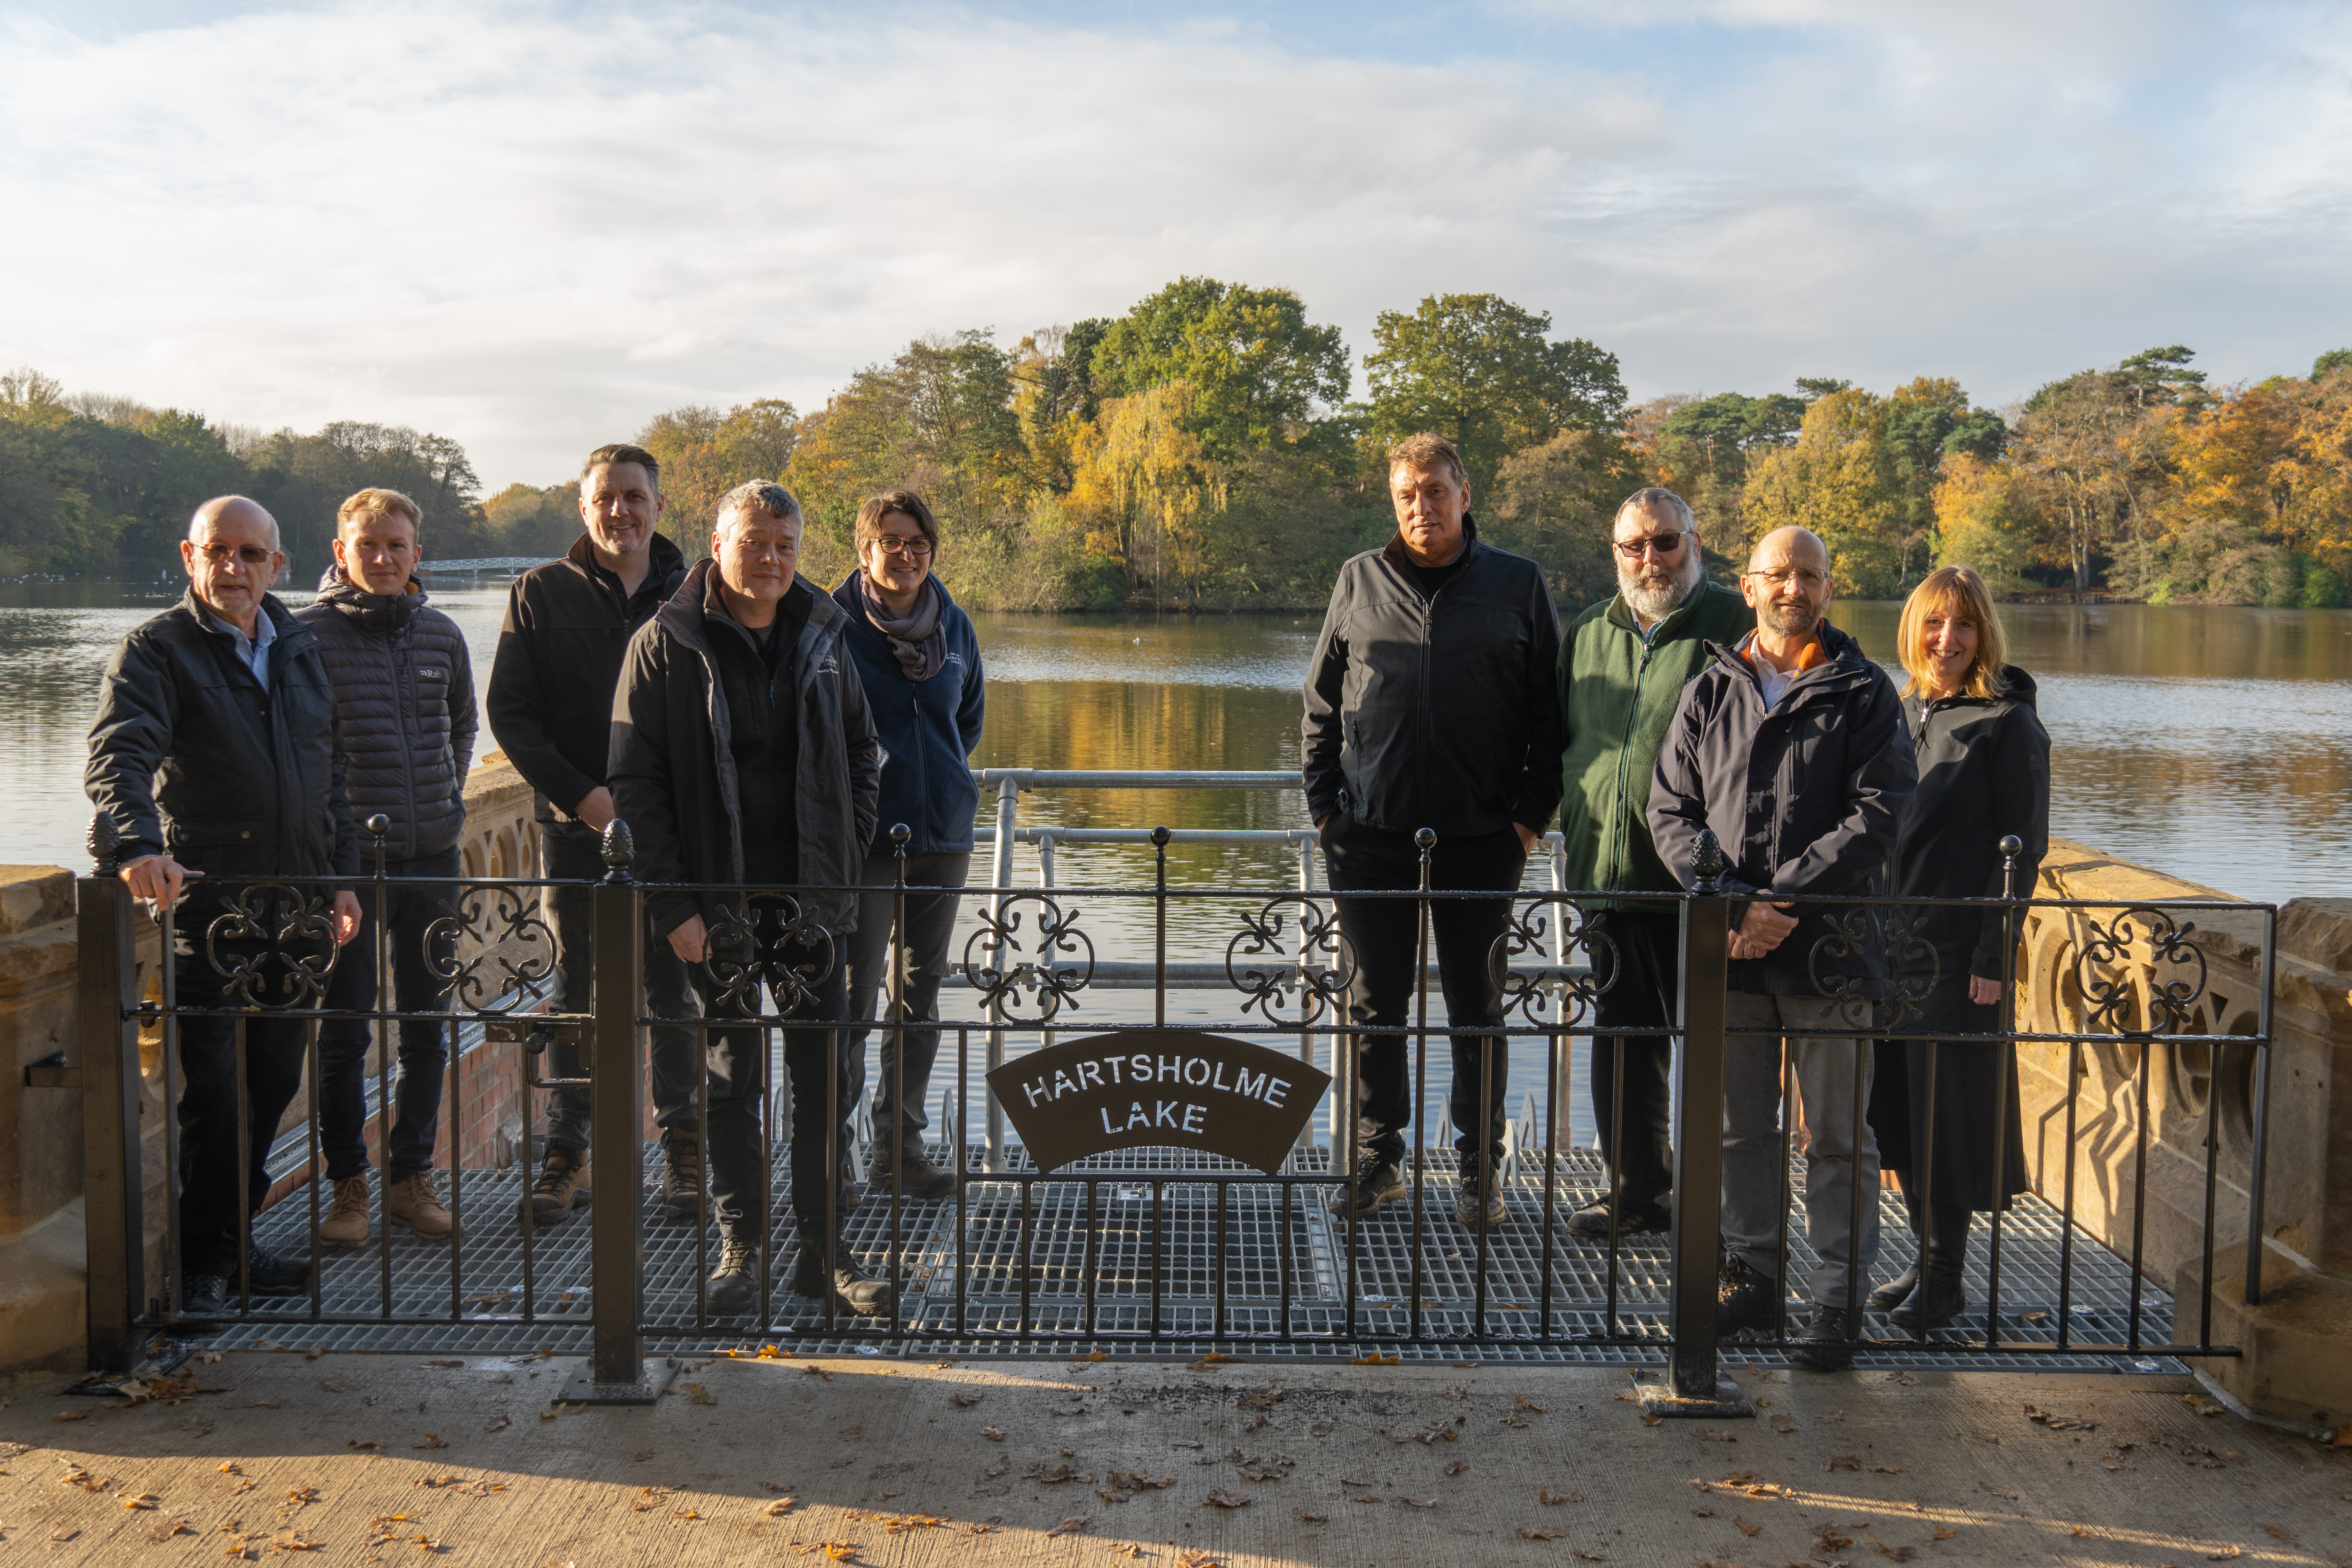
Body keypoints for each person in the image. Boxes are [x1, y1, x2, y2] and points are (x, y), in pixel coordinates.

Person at [610, 480, 888, 1317]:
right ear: (718, 543)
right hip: (717, 902)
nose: (769, 560)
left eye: (784, 546)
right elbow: (637, 782)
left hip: (812, 901)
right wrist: (673, 907)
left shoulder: (829, 634)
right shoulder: (666, 642)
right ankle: (743, 1246)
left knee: (824, 1079)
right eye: (754, 543)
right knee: (731, 1080)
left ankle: (824, 1251)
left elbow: (864, 752)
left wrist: (844, 860)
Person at [1648, 525, 1917, 1370]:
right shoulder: (1709, 688)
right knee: (1739, 1131)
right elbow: (1669, 810)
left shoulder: (1864, 691)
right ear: (1749, 584)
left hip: (1831, 947)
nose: (1792, 587)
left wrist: (1781, 896)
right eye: (1778, 573)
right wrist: (1731, 900)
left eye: (1809, 574)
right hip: (1730, 945)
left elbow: (1881, 809)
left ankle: (1834, 1302)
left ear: (1828, 589)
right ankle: (1752, 1278)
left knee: (1838, 1136)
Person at [86, 496, 362, 1310]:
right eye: (219, 551)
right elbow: (119, 753)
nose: (233, 567)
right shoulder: (157, 649)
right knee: (213, 1093)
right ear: (189, 555)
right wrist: (135, 844)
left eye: (250, 554)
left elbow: (332, 777)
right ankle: (202, 1265)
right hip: (213, 915)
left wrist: (342, 874)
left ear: (278, 565)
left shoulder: (300, 645)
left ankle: (235, 1242)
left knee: (272, 1086)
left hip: (301, 910)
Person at [1302, 432, 1563, 1230]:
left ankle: (1479, 1168)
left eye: (1436, 489)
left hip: (1483, 837)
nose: (1423, 505)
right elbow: (1320, 707)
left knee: (1477, 1006)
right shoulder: (1359, 579)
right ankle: (1380, 1159)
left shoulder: (1517, 584)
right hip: (1371, 834)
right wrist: (1327, 815)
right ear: (1395, 497)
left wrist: (1524, 822)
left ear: (1465, 491)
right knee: (1373, 1003)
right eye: (1408, 491)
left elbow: (1549, 719)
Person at [486, 443, 697, 1225]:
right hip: (577, 834)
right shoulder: (540, 592)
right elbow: (511, 713)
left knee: (677, 992)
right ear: (584, 508)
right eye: (605, 497)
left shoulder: (695, 593)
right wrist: (586, 798)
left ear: (658, 506)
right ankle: (567, 1151)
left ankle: (684, 1147)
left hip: (674, 838)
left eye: (634, 496)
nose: (620, 510)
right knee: (578, 992)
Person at [1555, 486, 1753, 1238]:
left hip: (1705, 882)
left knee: (1721, 1054)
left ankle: (1728, 1213)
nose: (1650, 559)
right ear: (1615, 554)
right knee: (1624, 1048)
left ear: (1695, 544)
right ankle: (1640, 1196)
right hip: (1608, 876)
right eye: (1633, 546)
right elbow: (1559, 741)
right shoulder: (1588, 632)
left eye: (1665, 542)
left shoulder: (1734, 625)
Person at [1866, 565, 2049, 1332]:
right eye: (1935, 624)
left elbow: (2022, 849)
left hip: (1955, 954)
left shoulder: (2008, 723)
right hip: (1887, 953)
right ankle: (1921, 1255)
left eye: (1964, 625)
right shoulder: (1903, 709)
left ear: (1984, 634)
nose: (1948, 640)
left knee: (1947, 1118)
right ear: (1915, 629)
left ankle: (1947, 1278)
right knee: (1900, 1118)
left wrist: (1993, 956)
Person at [298, 488, 477, 1246]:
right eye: (366, 545)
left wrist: (439, 800)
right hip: (349, 869)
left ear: (415, 555)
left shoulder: (441, 634)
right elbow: (301, 752)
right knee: (344, 1032)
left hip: (432, 859)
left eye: (395, 546)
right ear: (341, 552)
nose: (381, 558)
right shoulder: (300, 635)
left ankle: (411, 1179)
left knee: (427, 1028)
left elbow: (463, 726)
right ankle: (348, 1189)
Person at [832, 489, 985, 1202]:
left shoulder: (954, 625)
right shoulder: (832, 627)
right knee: (850, 1001)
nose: (905, 555)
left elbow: (968, 718)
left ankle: (901, 1150)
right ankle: (832, 1154)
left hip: (942, 837)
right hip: (861, 843)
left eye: (918, 543)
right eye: (890, 542)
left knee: (918, 1000)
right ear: (864, 549)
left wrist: (941, 783)